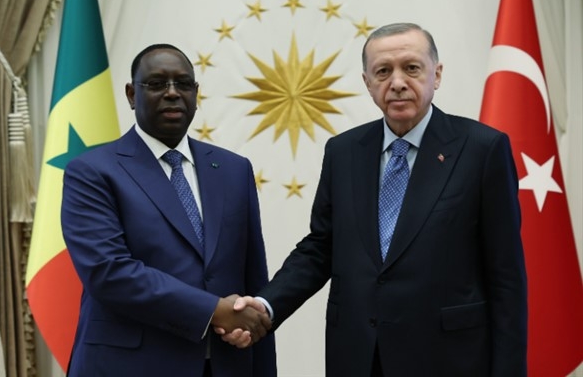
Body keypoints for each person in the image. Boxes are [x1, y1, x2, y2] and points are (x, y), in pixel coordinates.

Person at [220, 23, 527, 376]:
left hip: (449, 358)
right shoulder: (344, 151)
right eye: (383, 71)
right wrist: (265, 305)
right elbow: (321, 247)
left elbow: (506, 277)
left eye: (411, 68)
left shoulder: (482, 149)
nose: (397, 82)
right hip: (358, 356)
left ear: (437, 74)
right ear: (367, 83)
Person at [61, 43, 276, 377]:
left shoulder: (234, 169)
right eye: (157, 83)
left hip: (225, 364)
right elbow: (109, 272)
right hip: (129, 367)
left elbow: (252, 276)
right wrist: (213, 310)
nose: (173, 93)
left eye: (183, 84)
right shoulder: (92, 171)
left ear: (196, 93)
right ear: (132, 95)